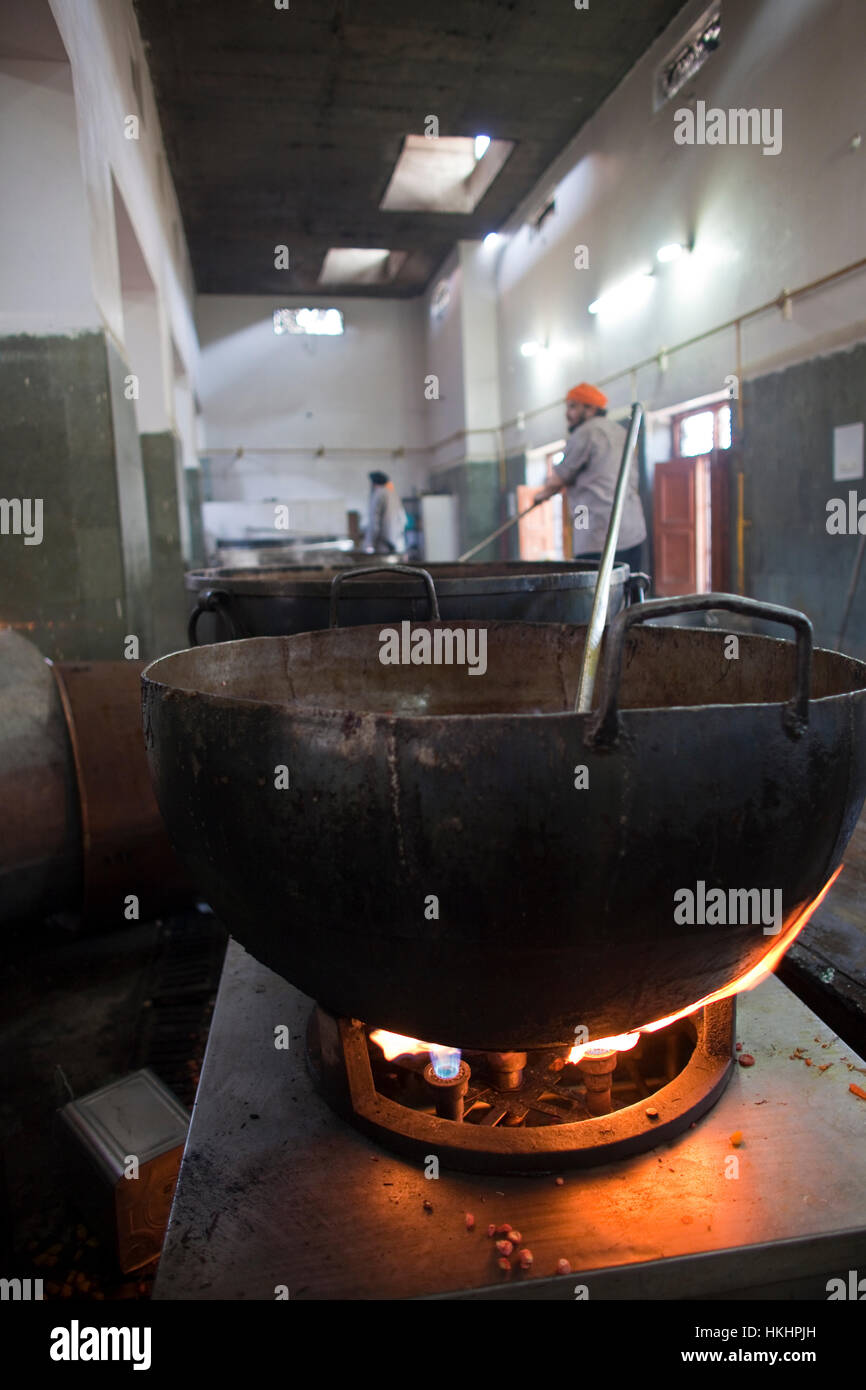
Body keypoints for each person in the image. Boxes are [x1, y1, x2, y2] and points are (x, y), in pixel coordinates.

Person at [534, 383, 646, 571]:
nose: (567, 413)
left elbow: (559, 478)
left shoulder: (585, 432)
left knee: (591, 591)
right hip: (632, 529)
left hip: (597, 533)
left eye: (573, 406)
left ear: (591, 408)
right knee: (629, 591)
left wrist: (539, 496)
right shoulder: (620, 431)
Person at [363, 471, 407, 554]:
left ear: (374, 483)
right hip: (396, 543)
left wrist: (369, 543)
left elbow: (374, 521)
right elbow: (403, 519)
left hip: (382, 544)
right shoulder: (393, 493)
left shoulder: (378, 494)